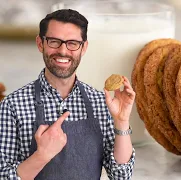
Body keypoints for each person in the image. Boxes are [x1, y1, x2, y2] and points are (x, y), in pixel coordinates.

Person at [0, 9, 135, 180]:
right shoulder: (13, 105)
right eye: (54, 42)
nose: (63, 51)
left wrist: (122, 122)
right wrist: (42, 155)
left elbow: (121, 175)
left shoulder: (100, 103)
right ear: (40, 43)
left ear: (83, 47)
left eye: (72, 43)